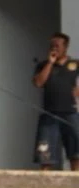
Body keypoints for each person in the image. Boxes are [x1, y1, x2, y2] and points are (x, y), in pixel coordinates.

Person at [32, 31, 79, 171]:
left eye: (57, 45)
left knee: (76, 156)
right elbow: (38, 83)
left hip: (70, 114)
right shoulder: (43, 65)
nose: (54, 48)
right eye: (52, 45)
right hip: (49, 115)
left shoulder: (75, 64)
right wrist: (50, 63)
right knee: (45, 157)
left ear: (65, 47)